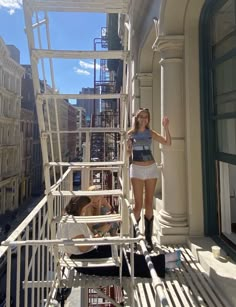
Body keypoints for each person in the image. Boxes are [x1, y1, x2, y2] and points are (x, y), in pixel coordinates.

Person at [57, 196, 181, 279]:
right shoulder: (72, 223)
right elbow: (83, 247)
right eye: (86, 208)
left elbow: (84, 242)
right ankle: (163, 261)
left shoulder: (70, 220)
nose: (87, 210)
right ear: (81, 207)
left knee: (124, 258)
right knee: (124, 263)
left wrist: (99, 234)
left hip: (86, 256)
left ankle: (163, 263)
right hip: (85, 260)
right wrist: (100, 235)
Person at [127, 108, 171, 251]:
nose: (144, 119)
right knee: (137, 205)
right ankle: (134, 238)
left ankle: (148, 239)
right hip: (137, 170)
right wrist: (127, 148)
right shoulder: (131, 134)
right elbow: (128, 154)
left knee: (148, 203)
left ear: (148, 119)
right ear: (137, 118)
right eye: (141, 117)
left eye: (146, 117)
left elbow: (167, 142)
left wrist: (166, 127)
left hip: (151, 169)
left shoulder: (150, 133)